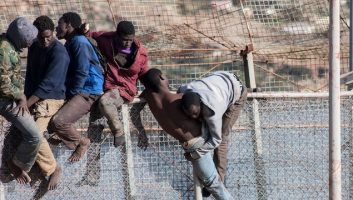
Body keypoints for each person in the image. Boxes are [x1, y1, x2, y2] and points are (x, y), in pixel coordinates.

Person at [131, 68, 233, 200]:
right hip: (198, 143)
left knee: (212, 183)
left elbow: (134, 112)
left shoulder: (148, 96)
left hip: (191, 145)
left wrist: (142, 132)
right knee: (214, 184)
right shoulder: (178, 99)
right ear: (162, 77)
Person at [80, 21, 149, 148]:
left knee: (106, 102)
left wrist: (154, 88)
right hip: (107, 86)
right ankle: (92, 162)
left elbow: (145, 74)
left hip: (125, 90)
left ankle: (118, 130)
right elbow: (90, 35)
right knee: (94, 127)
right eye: (124, 40)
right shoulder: (107, 40)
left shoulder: (141, 53)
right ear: (117, 35)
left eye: (130, 39)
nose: (128, 43)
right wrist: (85, 29)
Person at [178, 71, 247, 196]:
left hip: (236, 91)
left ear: (201, 105)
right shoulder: (184, 90)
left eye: (197, 114)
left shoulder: (212, 111)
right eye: (190, 116)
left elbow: (216, 140)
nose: (194, 118)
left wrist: (196, 153)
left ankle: (219, 181)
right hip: (219, 83)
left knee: (223, 135)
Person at [47, 12, 104, 162]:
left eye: (59, 24)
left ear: (68, 25)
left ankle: (81, 142)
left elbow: (82, 71)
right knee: (50, 125)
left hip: (88, 90)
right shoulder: (72, 42)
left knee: (59, 122)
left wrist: (71, 94)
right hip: (80, 88)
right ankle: (65, 141)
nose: (56, 28)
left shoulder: (79, 42)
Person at [24, 15, 70, 190]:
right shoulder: (35, 47)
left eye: (48, 36)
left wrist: (28, 103)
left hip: (52, 98)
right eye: (41, 36)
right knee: (24, 131)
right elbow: (30, 76)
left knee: (33, 133)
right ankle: (39, 173)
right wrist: (26, 100)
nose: (45, 40)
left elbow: (49, 83)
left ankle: (53, 168)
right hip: (35, 98)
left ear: (53, 33)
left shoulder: (59, 52)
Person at [0, 17, 41, 184]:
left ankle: (11, 167)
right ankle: (16, 166)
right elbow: (3, 84)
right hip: (4, 100)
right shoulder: (4, 50)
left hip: (8, 99)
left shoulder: (10, 47)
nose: (29, 44)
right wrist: (20, 96)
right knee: (34, 135)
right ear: (20, 37)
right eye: (28, 40)